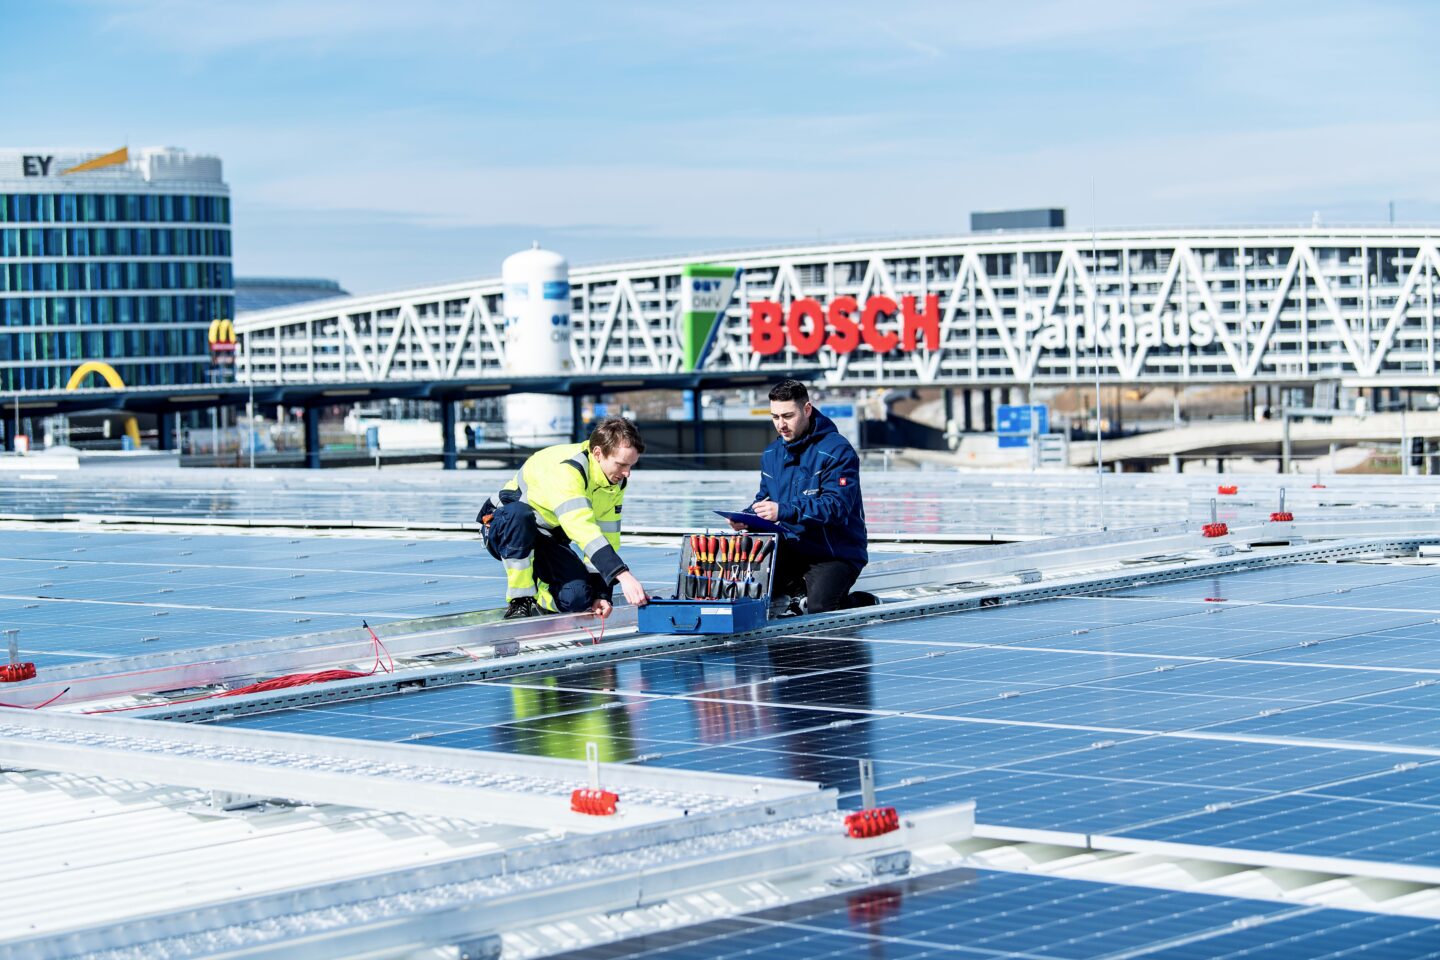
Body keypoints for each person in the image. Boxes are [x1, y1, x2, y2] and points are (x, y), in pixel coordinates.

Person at [479, 416, 650, 619]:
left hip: (547, 535)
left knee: (579, 598)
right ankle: (520, 600)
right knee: (519, 514)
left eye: (631, 466)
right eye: (622, 464)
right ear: (597, 453)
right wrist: (623, 575)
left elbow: (607, 535)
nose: (627, 473)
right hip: (504, 526)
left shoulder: (614, 482)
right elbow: (582, 528)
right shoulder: (568, 470)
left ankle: (540, 597)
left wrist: (601, 594)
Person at [731, 379, 875, 613]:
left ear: (807, 410)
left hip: (834, 552)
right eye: (775, 417)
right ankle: (796, 593)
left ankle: (863, 602)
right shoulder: (771, 454)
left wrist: (784, 510)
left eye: (788, 416)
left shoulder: (837, 450)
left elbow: (837, 506)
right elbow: (765, 500)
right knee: (751, 591)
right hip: (792, 547)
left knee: (820, 608)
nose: (781, 425)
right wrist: (747, 517)